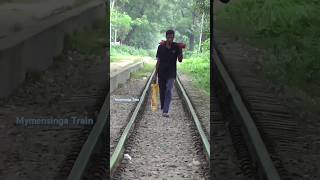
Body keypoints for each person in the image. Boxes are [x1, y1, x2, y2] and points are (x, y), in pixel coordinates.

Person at [154, 30, 183, 117]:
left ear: (173, 37)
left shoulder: (176, 47)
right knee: (162, 90)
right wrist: (155, 74)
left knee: (169, 90)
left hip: (171, 72)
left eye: (172, 37)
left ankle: (165, 110)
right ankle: (163, 106)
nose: (170, 39)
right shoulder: (160, 47)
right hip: (161, 72)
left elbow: (180, 60)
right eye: (169, 37)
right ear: (166, 37)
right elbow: (158, 61)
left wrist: (181, 51)